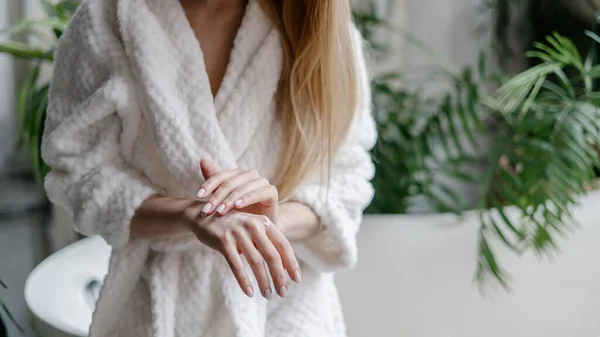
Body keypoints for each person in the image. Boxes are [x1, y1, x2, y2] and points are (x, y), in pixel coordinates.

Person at [41, 0, 376, 336]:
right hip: (157, 306)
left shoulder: (315, 28)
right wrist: (189, 215)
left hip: (285, 304)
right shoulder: (110, 18)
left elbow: (347, 179)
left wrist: (266, 224)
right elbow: (78, 172)